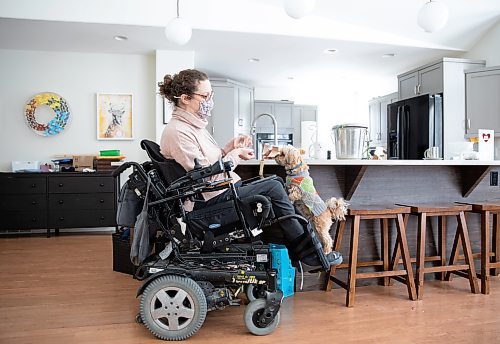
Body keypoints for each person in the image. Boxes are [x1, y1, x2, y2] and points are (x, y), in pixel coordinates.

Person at [158, 68, 342, 271]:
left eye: (211, 94)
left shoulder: (193, 127)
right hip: (207, 203)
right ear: (185, 98)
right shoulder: (178, 132)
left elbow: (205, 164)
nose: (210, 100)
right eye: (205, 95)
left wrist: (229, 147)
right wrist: (233, 157)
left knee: (276, 183)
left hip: (218, 192)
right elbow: (203, 177)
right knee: (273, 185)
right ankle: (307, 253)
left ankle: (302, 250)